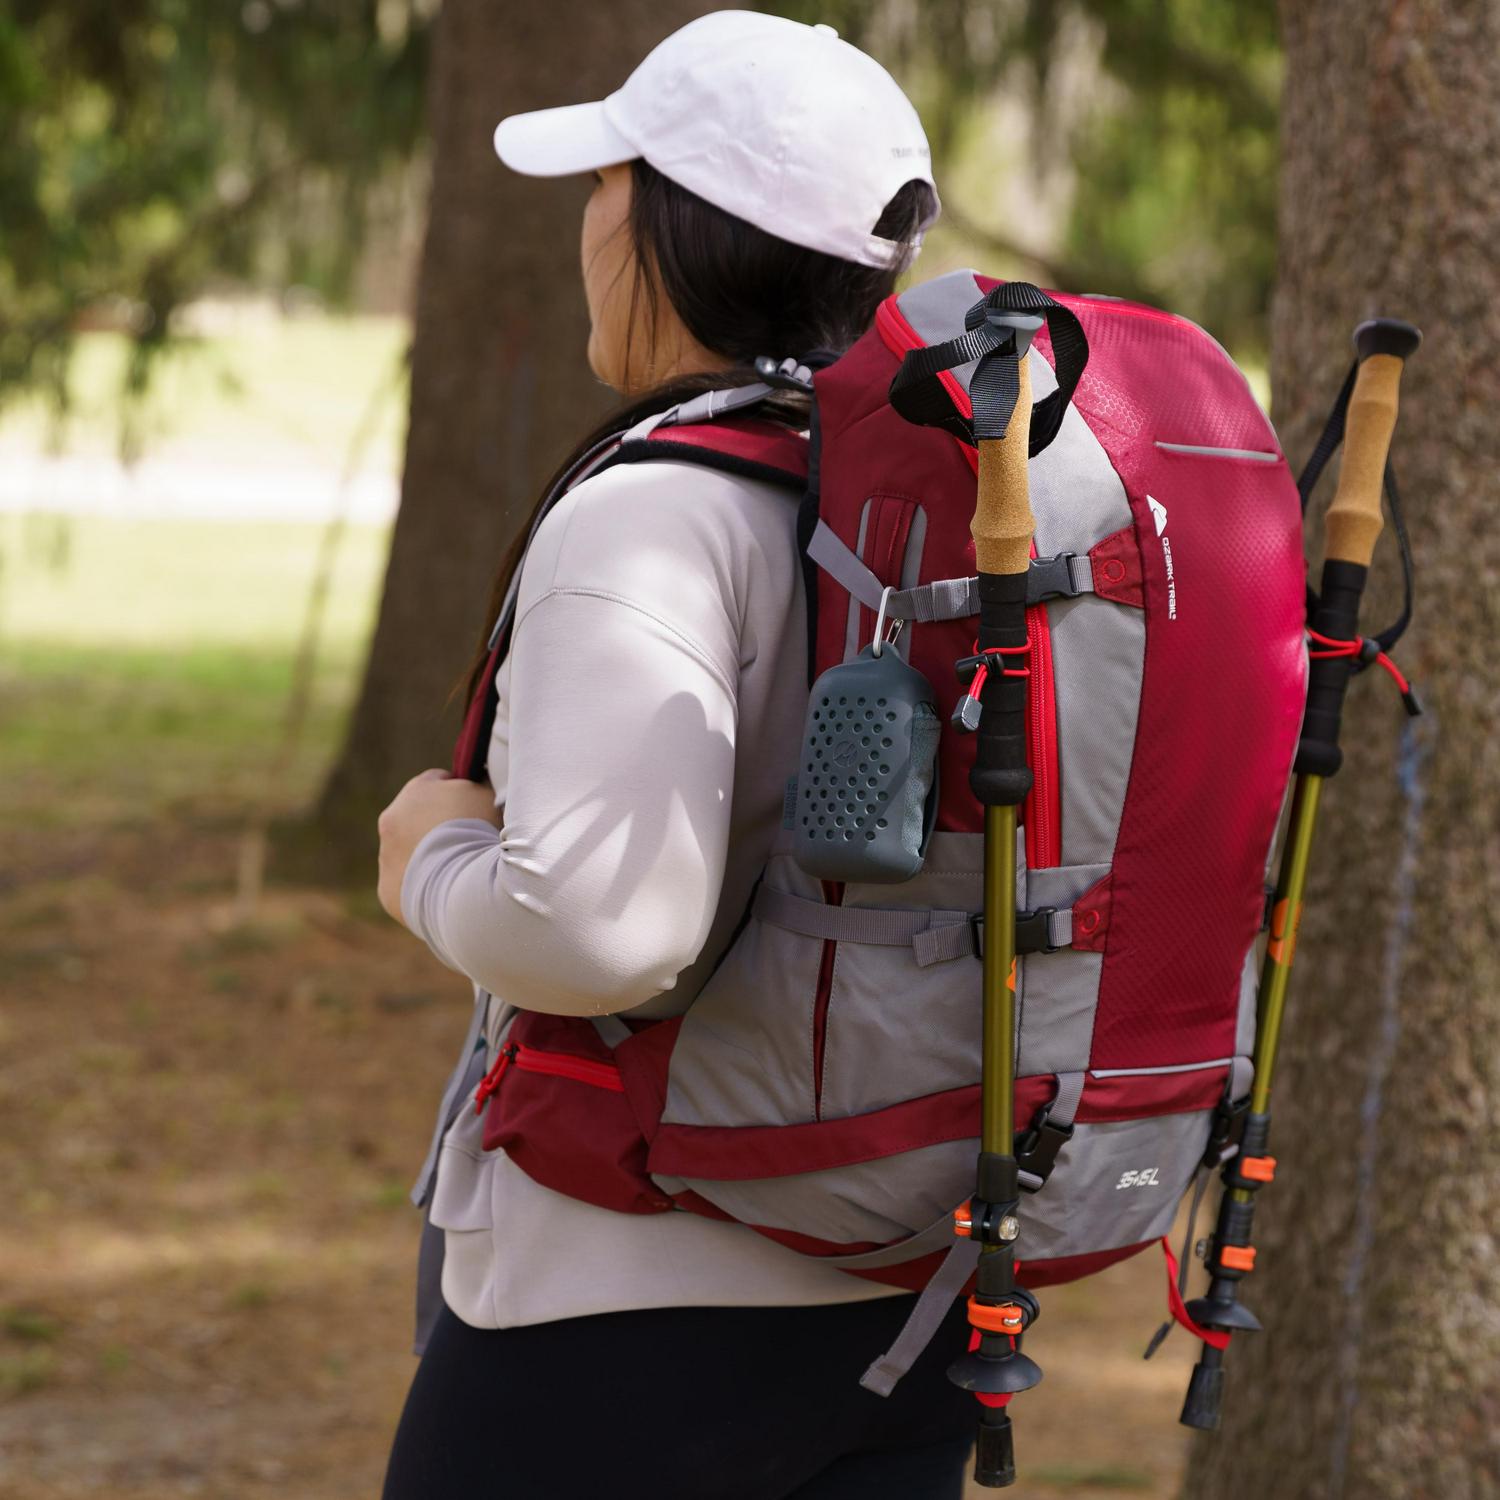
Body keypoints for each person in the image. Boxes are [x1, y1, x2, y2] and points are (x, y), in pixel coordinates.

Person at [376, 13, 979, 1497]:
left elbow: (597, 932)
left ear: (664, 223)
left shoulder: (657, 511)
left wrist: (429, 860)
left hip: (625, 1301)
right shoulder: (942, 503)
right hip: (916, 1293)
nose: (584, 220)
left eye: (604, 183)